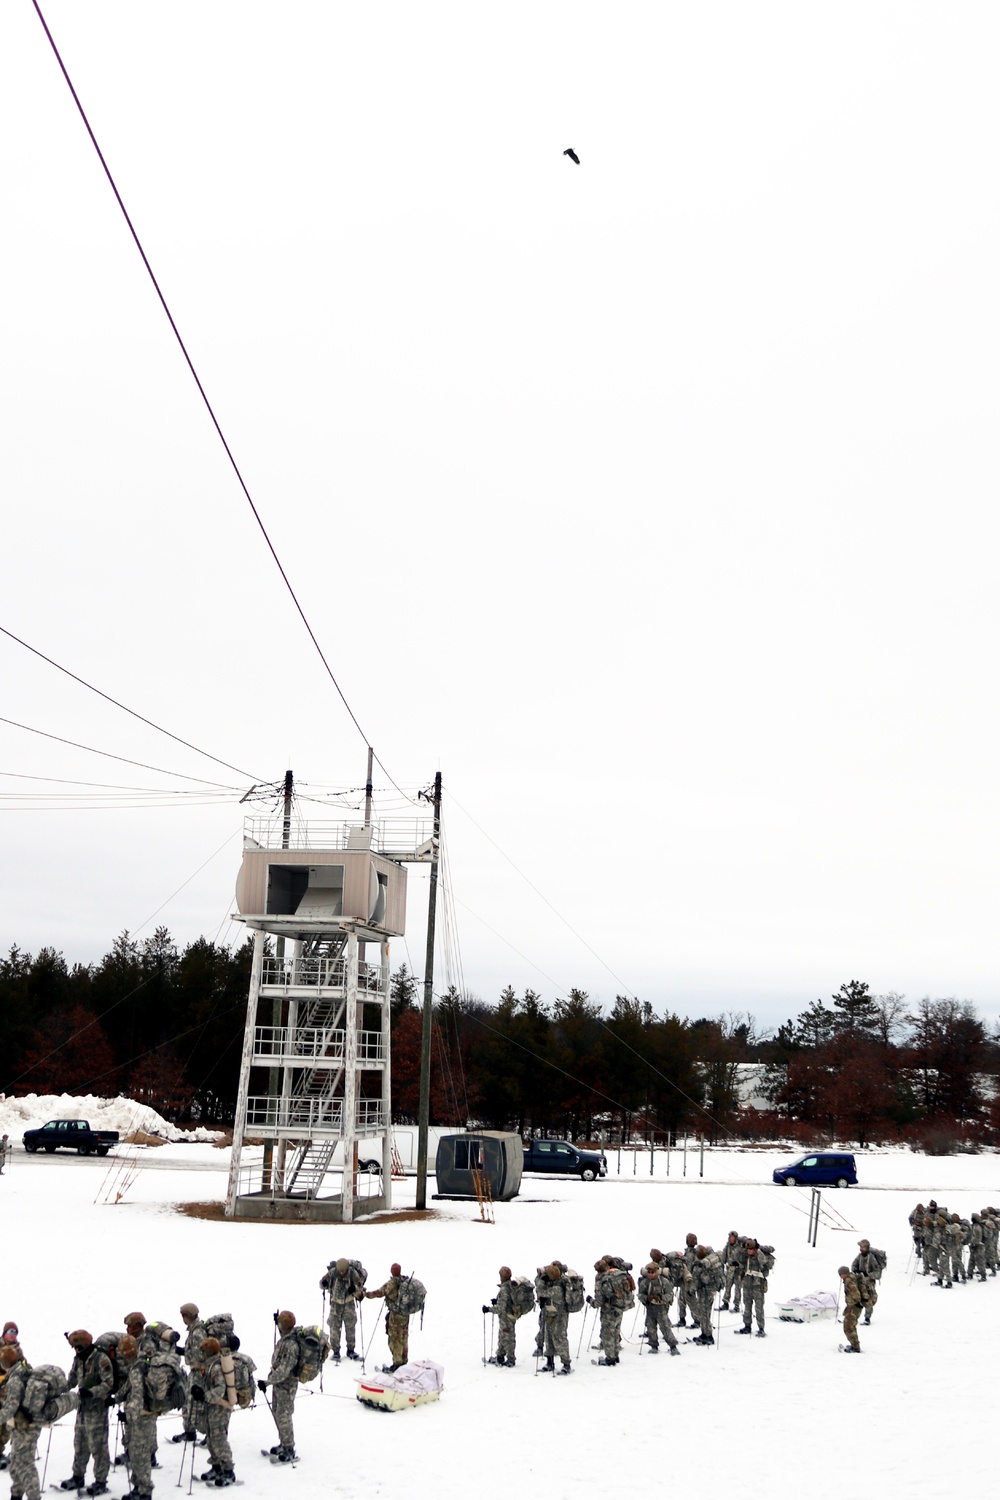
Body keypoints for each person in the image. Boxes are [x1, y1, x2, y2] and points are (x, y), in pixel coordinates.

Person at [63, 1329, 114, 1496]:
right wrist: (57, 1390)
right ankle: (78, 1476)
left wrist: (92, 1392)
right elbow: (71, 1380)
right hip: (82, 1408)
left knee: (98, 1446)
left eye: (78, 1347)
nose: (76, 1351)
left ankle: (101, 1481)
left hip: (97, 1409)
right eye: (74, 1348)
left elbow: (108, 1384)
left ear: (85, 1345)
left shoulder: (101, 1359)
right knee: (80, 1443)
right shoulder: (78, 1360)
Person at [192, 1338, 235, 1488]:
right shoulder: (209, 1365)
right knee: (211, 1438)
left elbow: (220, 1389)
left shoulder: (215, 1367)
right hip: (211, 1407)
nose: (202, 1354)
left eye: (203, 1351)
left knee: (219, 1439)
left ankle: (228, 1470)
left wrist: (204, 1395)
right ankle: (216, 1467)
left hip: (220, 1408)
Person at [257, 1310, 299, 1463]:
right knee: (277, 1412)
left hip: (286, 1385)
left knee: (284, 1415)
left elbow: (284, 1370)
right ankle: (283, 1442)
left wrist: (268, 1382)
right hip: (279, 1384)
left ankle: (289, 1448)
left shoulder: (290, 1345)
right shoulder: (285, 1339)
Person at [365, 1265, 412, 1372]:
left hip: (395, 1316)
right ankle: (404, 1361)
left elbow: (378, 1293)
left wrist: (365, 1294)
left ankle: (397, 1364)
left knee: (394, 1339)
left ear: (392, 1272)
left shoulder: (392, 1283)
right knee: (403, 1337)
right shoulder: (405, 1282)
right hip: (405, 1315)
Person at [319, 1257, 366, 1362]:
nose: (341, 1273)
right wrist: (323, 1284)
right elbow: (321, 1282)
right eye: (339, 1271)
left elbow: (360, 1286)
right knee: (334, 1328)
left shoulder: (353, 1273)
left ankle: (351, 1350)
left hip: (348, 1304)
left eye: (343, 1271)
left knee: (350, 1327)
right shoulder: (332, 1272)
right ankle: (336, 1351)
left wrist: (354, 1288)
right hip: (335, 1304)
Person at [172, 1304, 206, 1445]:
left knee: (199, 1404)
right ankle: (189, 1432)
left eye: (183, 1315)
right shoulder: (194, 1330)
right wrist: (182, 1351)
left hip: (200, 1373)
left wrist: (187, 1354)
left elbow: (200, 1354)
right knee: (188, 1403)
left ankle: (209, 1434)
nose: (183, 1319)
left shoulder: (198, 1332)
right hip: (194, 1372)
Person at [637, 1261, 680, 1356]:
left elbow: (670, 1295)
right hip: (650, 1308)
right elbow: (640, 1295)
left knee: (665, 1327)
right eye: (649, 1272)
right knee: (650, 1327)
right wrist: (646, 1298)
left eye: (652, 1272)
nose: (651, 1274)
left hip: (661, 1308)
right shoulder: (645, 1283)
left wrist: (661, 1298)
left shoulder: (664, 1282)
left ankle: (673, 1346)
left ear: (657, 1271)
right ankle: (653, 1345)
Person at [536, 1263, 572, 1374]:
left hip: (559, 1316)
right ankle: (549, 1362)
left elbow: (541, 1292)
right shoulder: (554, 1283)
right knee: (549, 1339)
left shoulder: (557, 1287)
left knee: (560, 1338)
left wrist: (541, 1279)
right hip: (549, 1314)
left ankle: (566, 1363)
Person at [736, 1238, 773, 1337]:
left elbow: (764, 1263)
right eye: (748, 1249)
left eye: (751, 1249)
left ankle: (761, 1328)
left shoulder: (759, 1256)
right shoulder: (746, 1257)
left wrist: (758, 1251)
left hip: (757, 1286)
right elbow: (739, 1258)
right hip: (747, 1285)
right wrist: (743, 1248)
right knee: (747, 1307)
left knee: (759, 1308)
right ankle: (747, 1326)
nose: (749, 1251)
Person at [483, 1267, 518, 1367]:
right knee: (503, 1336)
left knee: (508, 1337)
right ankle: (500, 1356)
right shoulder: (510, 1286)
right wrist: (496, 1301)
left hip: (507, 1317)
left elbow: (501, 1308)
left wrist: (489, 1309)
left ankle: (511, 1359)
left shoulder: (504, 1289)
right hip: (509, 1316)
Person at [590, 1259, 622, 1366]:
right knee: (616, 1332)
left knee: (608, 1334)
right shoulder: (615, 1275)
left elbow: (598, 1302)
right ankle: (616, 1355)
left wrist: (591, 1301)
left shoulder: (602, 1280)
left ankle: (610, 1358)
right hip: (619, 1308)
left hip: (608, 1311)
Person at [0, 1323, 22, 1471]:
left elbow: (22, 1365)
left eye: (15, 1332)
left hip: (10, 1391)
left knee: (8, 1422)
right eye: (10, 1331)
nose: (13, 1334)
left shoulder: (18, 1349)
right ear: (4, 1333)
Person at [690, 1245, 723, 1345]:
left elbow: (695, 1282)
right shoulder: (711, 1263)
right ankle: (704, 1333)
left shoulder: (700, 1265)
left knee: (704, 1314)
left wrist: (690, 1291)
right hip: (711, 1290)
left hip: (704, 1292)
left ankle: (708, 1336)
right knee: (706, 1313)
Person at [851, 1241, 886, 1324]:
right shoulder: (859, 1256)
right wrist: (855, 1270)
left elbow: (877, 1273)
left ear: (867, 1248)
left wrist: (868, 1274)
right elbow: (853, 1265)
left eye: (863, 1247)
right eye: (860, 1247)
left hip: (869, 1283)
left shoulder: (872, 1258)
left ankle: (867, 1318)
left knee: (868, 1299)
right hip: (859, 1281)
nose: (861, 1249)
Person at [674, 1234, 699, 1328]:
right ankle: (682, 1319)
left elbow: (689, 1266)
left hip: (689, 1280)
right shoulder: (689, 1252)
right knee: (681, 1300)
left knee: (691, 1300)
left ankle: (697, 1320)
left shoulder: (692, 1253)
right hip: (684, 1279)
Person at [720, 1231, 745, 1312]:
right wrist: (721, 1263)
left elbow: (744, 1259)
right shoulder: (727, 1246)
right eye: (730, 1237)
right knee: (727, 1287)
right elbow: (723, 1257)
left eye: (733, 1237)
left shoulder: (740, 1247)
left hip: (738, 1271)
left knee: (737, 1289)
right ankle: (725, 1303)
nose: (732, 1239)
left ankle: (736, 1305)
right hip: (730, 1270)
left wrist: (739, 1264)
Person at [838, 1265, 862, 1352]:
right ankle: (855, 1345)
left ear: (844, 1274)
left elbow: (856, 1293)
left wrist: (856, 1303)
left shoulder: (849, 1281)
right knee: (851, 1326)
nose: (840, 1276)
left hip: (854, 1307)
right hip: (853, 1306)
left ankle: (855, 1347)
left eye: (841, 1274)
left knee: (848, 1327)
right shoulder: (852, 1277)